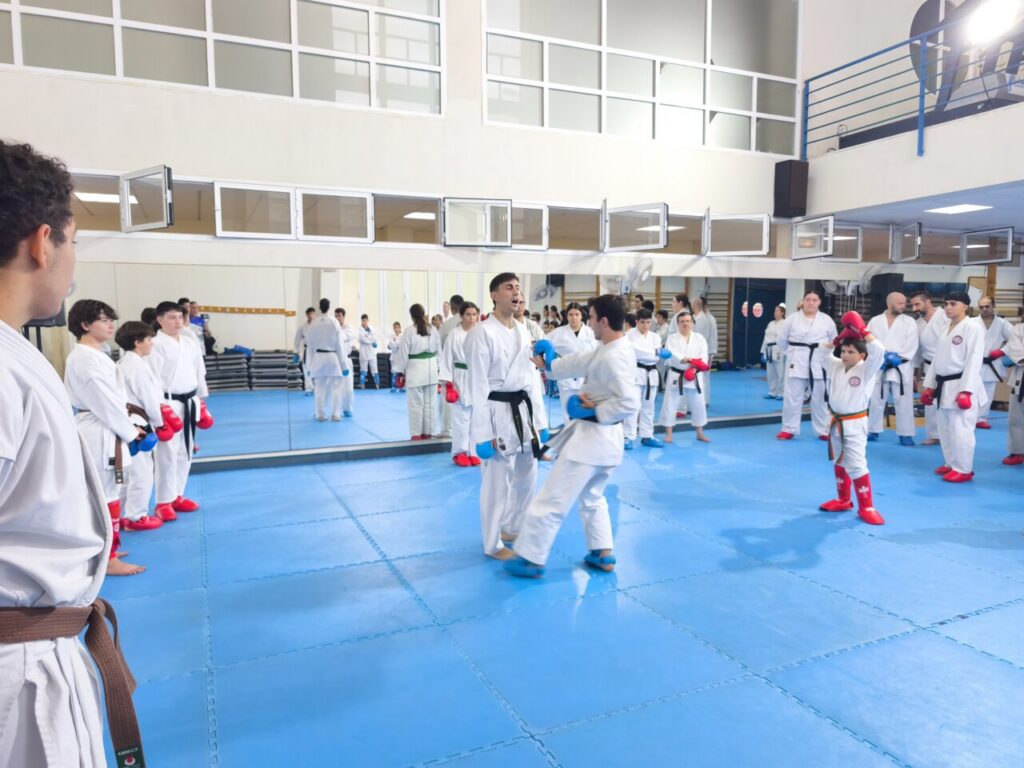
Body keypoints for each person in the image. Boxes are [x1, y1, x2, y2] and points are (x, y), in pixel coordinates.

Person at [0, 139, 146, 768]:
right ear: (42, 241)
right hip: (17, 672)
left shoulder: (17, 355)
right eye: (75, 239)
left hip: (40, 648)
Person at [505, 294, 640, 578]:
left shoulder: (613, 357)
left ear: (603, 321)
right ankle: (602, 552)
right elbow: (584, 359)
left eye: (590, 318)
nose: (588, 324)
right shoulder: (616, 346)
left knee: (552, 499)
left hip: (590, 445)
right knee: (592, 497)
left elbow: (630, 403)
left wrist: (594, 412)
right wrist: (551, 364)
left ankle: (531, 557)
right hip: (608, 448)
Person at [65, 299, 148, 576]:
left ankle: (108, 549)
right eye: (103, 320)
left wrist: (129, 425)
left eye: (111, 318)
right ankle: (108, 559)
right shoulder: (84, 358)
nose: (110, 324)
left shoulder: (97, 353)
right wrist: (130, 430)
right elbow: (105, 402)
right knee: (106, 492)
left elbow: (114, 400)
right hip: (100, 429)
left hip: (107, 425)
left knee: (110, 491)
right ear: (85, 325)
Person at [465, 273, 546, 560]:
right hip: (496, 411)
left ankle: (513, 526)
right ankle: (492, 542)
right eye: (509, 287)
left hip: (523, 411)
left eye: (518, 287)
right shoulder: (481, 333)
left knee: (527, 474)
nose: (516, 292)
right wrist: (481, 434)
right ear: (494, 295)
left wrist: (541, 425)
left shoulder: (523, 331)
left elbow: (531, 379)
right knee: (497, 481)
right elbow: (476, 386)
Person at [816, 311, 886, 525]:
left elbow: (879, 350)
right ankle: (843, 499)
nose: (845, 355)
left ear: (861, 356)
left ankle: (867, 506)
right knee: (839, 460)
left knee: (856, 464)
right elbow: (821, 352)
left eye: (850, 352)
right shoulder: (835, 365)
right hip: (835, 421)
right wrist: (837, 339)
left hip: (854, 424)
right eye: (843, 350)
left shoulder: (867, 370)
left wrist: (863, 331)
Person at [149, 300, 209, 519]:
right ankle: (163, 501)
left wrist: (202, 402)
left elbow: (198, 372)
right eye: (171, 317)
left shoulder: (189, 342)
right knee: (167, 453)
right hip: (168, 403)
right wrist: (159, 409)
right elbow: (152, 379)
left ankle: (177, 495)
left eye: (180, 317)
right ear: (159, 320)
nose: (177, 321)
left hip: (190, 400)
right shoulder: (155, 344)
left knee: (186, 451)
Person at [922, 291, 986, 482]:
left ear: (965, 306)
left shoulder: (973, 327)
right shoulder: (945, 328)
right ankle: (951, 463)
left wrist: (966, 390)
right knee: (945, 428)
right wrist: (930, 385)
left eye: (953, 304)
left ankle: (964, 469)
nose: (948, 307)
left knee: (961, 429)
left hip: (960, 384)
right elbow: (936, 360)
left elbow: (974, 359)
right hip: (943, 385)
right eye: (946, 304)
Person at [116, 320, 173, 533]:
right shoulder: (137, 367)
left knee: (127, 473)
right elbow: (149, 398)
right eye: (149, 339)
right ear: (137, 342)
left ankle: (121, 515)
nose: (152, 343)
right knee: (142, 472)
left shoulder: (123, 363)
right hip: (139, 423)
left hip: (126, 422)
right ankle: (136, 517)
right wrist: (160, 424)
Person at [777, 290, 837, 440]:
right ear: (803, 301)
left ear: (819, 302)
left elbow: (834, 340)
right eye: (808, 299)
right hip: (797, 360)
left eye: (814, 300)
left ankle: (823, 430)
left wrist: (825, 354)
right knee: (792, 397)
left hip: (820, 361)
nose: (811, 302)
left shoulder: (827, 320)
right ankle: (789, 428)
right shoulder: (791, 319)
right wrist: (792, 353)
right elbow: (782, 340)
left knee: (820, 399)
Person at [866, 292, 919, 445]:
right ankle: (872, 430)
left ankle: (906, 433)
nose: (904, 306)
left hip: (901, 366)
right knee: (876, 399)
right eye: (900, 303)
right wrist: (881, 357)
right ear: (890, 304)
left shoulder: (909, 322)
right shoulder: (875, 321)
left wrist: (897, 358)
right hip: (880, 366)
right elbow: (869, 341)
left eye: (904, 303)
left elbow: (912, 344)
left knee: (903, 400)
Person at [659, 310, 711, 444]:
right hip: (677, 373)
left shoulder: (699, 338)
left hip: (694, 374)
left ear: (692, 323)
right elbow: (673, 355)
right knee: (670, 404)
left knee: (698, 404)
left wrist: (694, 367)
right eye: (682, 321)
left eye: (688, 321)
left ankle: (700, 433)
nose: (685, 324)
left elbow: (703, 356)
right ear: (678, 323)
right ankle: (668, 434)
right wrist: (688, 360)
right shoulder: (672, 338)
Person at [440, 301, 480, 467]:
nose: (471, 318)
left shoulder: (481, 333)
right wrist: (448, 384)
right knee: (461, 418)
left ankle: (473, 451)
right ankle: (459, 452)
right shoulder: (454, 335)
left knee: (476, 419)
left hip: (477, 378)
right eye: (468, 315)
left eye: (474, 314)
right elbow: (447, 359)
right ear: (461, 316)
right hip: (459, 378)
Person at [393, 303, 441, 439]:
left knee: (416, 404)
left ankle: (416, 434)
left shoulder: (409, 331)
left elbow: (403, 354)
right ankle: (428, 432)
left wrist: (399, 372)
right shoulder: (433, 330)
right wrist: (438, 368)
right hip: (431, 368)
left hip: (415, 369)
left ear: (412, 316)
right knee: (430, 404)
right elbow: (440, 352)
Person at [547, 302, 598, 425]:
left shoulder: (590, 332)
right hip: (566, 378)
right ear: (566, 316)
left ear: (582, 316)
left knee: (586, 413)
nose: (574, 317)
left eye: (577, 314)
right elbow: (543, 343)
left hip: (587, 379)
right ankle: (570, 439)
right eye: (570, 314)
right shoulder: (559, 333)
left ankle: (584, 440)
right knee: (567, 413)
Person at [912, 290, 950, 446]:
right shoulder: (918, 324)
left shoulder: (945, 317)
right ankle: (934, 435)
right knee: (930, 401)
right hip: (929, 367)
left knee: (948, 402)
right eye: (912, 305)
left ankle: (949, 434)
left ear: (928, 302)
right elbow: (917, 351)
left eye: (917, 304)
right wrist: (914, 372)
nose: (914, 308)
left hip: (948, 367)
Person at [625, 308, 666, 448]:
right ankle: (628, 436)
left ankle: (647, 436)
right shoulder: (629, 335)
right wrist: (655, 352)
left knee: (649, 407)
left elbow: (655, 358)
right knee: (633, 406)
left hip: (651, 374)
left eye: (648, 322)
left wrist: (655, 353)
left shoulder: (655, 337)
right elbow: (635, 352)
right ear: (636, 322)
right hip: (635, 373)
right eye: (642, 322)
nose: (645, 326)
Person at [975, 296, 1012, 429]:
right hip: (975, 362)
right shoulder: (972, 322)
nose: (984, 309)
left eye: (987, 306)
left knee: (988, 391)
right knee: (971, 390)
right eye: (981, 307)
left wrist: (1003, 351)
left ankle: (981, 418)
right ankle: (969, 416)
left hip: (992, 362)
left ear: (993, 306)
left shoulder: (1002, 323)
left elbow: (1017, 338)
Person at [308, 298, 348, 421]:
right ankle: (335, 414)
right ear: (329, 307)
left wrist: (309, 366)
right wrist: (344, 365)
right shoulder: (334, 322)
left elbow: (310, 345)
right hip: (332, 358)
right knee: (336, 387)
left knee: (319, 388)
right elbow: (340, 345)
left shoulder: (313, 323)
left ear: (319, 307)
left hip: (318, 357)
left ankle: (320, 414)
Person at [995, 320, 1024, 465]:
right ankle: (1017, 452)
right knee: (1016, 418)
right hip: (1020, 378)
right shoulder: (1018, 329)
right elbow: (1015, 350)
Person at [438, 295, 464, 436]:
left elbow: (440, 346)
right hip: (467, 369)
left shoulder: (446, 326)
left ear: (452, 307)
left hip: (450, 366)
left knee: (447, 401)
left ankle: (447, 430)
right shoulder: (473, 324)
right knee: (466, 403)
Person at [691, 296, 718, 407]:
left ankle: (704, 400)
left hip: (703, 352)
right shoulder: (705, 317)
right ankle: (704, 400)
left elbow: (701, 337)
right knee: (703, 376)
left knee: (702, 376)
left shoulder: (703, 319)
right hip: (707, 350)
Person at [761, 303, 786, 399]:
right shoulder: (771, 323)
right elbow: (765, 338)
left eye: (777, 311)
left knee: (780, 372)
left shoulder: (784, 324)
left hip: (779, 349)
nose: (775, 312)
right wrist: (763, 352)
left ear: (782, 313)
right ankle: (772, 392)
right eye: (775, 310)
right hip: (769, 349)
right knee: (770, 373)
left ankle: (781, 393)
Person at [335, 307, 356, 415]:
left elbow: (345, 336)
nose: (337, 318)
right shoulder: (333, 328)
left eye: (339, 315)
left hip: (346, 360)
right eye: (336, 316)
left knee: (348, 388)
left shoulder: (348, 327)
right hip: (335, 360)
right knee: (336, 388)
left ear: (343, 316)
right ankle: (336, 409)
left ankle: (347, 408)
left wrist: (336, 333)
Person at [294, 306, 316, 394]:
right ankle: (309, 387)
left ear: (315, 314)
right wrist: (296, 351)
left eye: (312, 313)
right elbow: (297, 339)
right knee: (306, 368)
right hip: (307, 350)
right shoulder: (302, 327)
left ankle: (318, 388)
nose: (311, 315)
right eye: (309, 314)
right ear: (306, 315)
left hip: (317, 349)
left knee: (317, 369)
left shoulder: (318, 325)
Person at [358, 313, 381, 389]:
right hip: (364, 353)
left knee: (375, 370)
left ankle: (377, 385)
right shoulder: (360, 330)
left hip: (372, 353)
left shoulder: (372, 329)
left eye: (365, 321)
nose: (363, 322)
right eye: (362, 321)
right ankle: (362, 386)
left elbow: (375, 338)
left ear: (367, 320)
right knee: (363, 371)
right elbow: (363, 339)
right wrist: (371, 340)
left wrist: (370, 340)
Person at [386, 320, 402, 391]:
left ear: (400, 328)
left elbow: (402, 346)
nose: (396, 329)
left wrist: (396, 345)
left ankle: (401, 386)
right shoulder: (391, 337)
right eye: (394, 328)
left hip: (400, 356)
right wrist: (394, 346)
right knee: (393, 371)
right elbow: (389, 346)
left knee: (401, 372)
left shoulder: (403, 337)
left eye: (397, 327)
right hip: (393, 356)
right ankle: (393, 386)